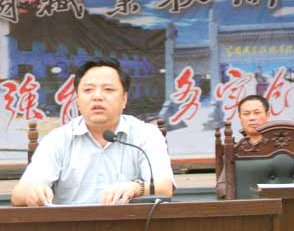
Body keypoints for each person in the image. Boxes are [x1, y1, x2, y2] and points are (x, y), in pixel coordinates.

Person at [11, 57, 174, 206]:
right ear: (77, 99)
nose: (97, 96)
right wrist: (33, 192)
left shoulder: (146, 134)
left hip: (131, 225)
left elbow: (164, 188)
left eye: (108, 89)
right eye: (88, 90)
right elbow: (18, 196)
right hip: (71, 226)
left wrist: (137, 188)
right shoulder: (58, 139)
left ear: (124, 99)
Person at [216, 94, 270, 199]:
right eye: (246, 114)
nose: (252, 118)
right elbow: (221, 186)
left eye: (257, 113)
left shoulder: (281, 144)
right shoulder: (236, 149)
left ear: (267, 115)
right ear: (240, 117)